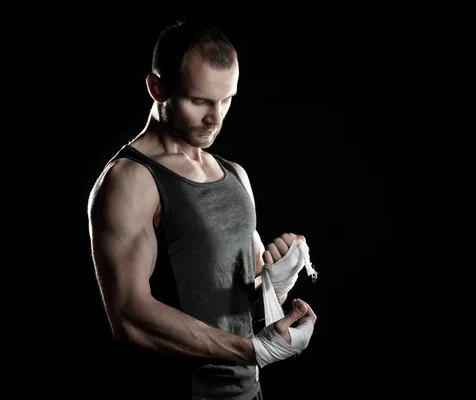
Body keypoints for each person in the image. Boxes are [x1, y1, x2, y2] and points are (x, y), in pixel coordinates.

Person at [87, 20, 318, 400]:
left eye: (227, 99)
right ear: (157, 88)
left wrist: (276, 285)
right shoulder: (130, 181)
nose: (216, 118)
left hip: (245, 393)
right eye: (200, 101)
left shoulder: (233, 175)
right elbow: (129, 316)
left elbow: (233, 306)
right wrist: (254, 351)